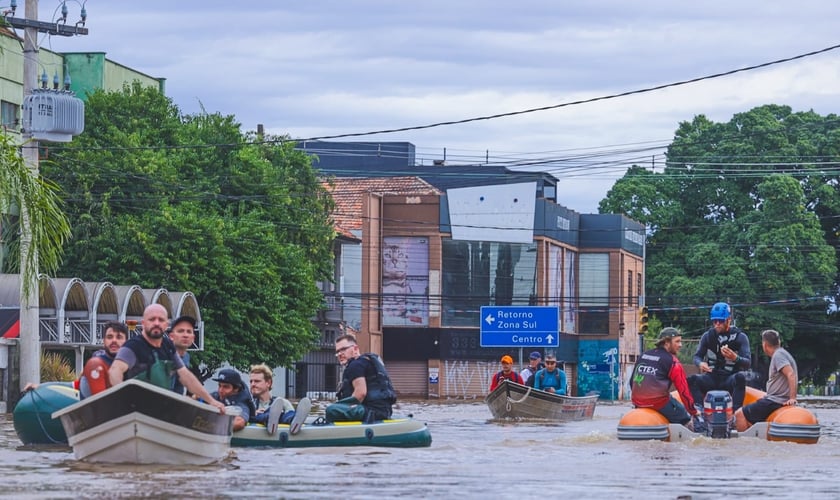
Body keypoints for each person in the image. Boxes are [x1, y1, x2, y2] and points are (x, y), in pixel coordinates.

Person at [108, 303, 225, 414]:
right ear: (143, 323)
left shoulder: (168, 346)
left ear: (166, 324)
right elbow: (115, 370)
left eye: (161, 320)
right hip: (137, 409)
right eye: (152, 319)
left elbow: (186, 376)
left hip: (162, 410)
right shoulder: (133, 346)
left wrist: (212, 401)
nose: (156, 323)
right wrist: (123, 399)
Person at [688, 302, 752, 411]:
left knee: (740, 377)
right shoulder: (708, 336)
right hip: (712, 377)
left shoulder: (740, 337)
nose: (717, 324)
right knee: (692, 380)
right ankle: (699, 411)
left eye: (721, 321)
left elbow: (747, 362)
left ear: (728, 320)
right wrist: (700, 363)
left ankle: (736, 413)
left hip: (730, 379)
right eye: (714, 321)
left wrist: (735, 358)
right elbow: (697, 357)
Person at [630, 327, 698, 427]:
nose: (680, 345)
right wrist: (693, 411)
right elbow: (683, 391)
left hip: (637, 402)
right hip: (658, 402)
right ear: (666, 343)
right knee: (685, 417)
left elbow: (632, 382)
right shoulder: (673, 362)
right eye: (677, 342)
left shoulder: (643, 355)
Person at [734, 329, 798, 432]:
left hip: (775, 401)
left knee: (739, 414)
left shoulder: (778, 356)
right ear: (779, 342)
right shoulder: (784, 353)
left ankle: (743, 444)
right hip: (775, 399)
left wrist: (792, 398)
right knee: (751, 416)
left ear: (765, 344)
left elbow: (790, 374)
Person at [326, 333, 397, 424]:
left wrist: (341, 406)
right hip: (383, 411)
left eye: (343, 349)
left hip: (371, 412)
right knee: (338, 408)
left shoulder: (355, 365)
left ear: (355, 349)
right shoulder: (366, 362)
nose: (340, 354)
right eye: (337, 352)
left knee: (332, 410)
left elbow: (360, 393)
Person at [249, 363, 311, 435]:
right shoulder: (249, 403)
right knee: (261, 415)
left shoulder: (282, 402)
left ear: (268, 383)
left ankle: (294, 418)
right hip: (259, 424)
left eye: (257, 381)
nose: (252, 384)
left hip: (282, 424)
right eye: (251, 381)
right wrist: (253, 413)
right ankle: (269, 417)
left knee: (288, 415)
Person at [79, 321, 129, 399]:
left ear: (127, 342)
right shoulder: (95, 364)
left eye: (119, 337)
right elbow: (101, 404)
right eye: (109, 337)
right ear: (104, 341)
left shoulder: (131, 363)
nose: (114, 341)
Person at [168, 315, 196, 395]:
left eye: (189, 332)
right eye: (180, 331)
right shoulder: (164, 355)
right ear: (171, 336)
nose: (185, 335)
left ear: (193, 338)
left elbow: (179, 388)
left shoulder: (186, 357)